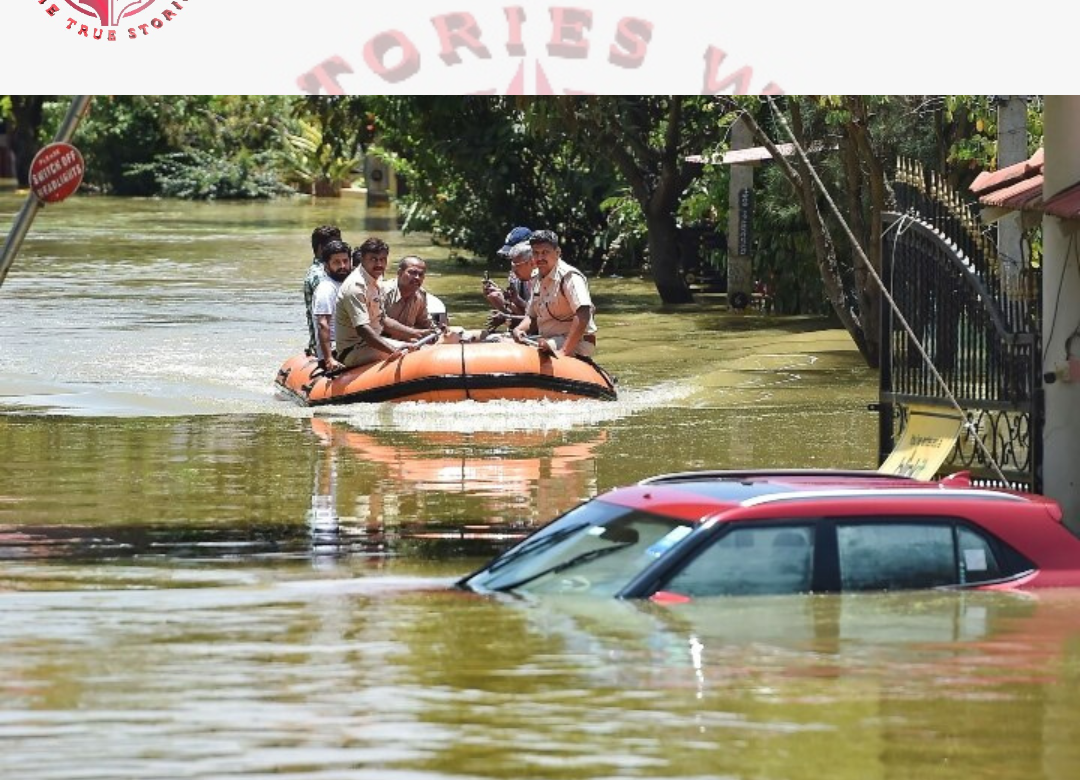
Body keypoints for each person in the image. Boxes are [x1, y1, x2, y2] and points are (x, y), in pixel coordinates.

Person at [334, 238, 427, 368]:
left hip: (370, 344)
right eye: (373, 259)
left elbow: (383, 319)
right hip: (353, 350)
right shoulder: (355, 287)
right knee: (411, 355)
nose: (379, 264)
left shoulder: (376, 280)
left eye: (382, 259)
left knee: (417, 346)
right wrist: (393, 350)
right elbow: (363, 329)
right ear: (363, 259)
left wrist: (416, 333)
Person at [512, 229, 597, 358]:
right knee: (505, 341)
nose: (540, 258)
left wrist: (563, 351)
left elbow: (584, 313)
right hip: (547, 338)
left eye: (545, 252)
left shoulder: (570, 277)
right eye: (536, 253)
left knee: (540, 350)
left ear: (557, 253)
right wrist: (519, 330)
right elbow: (532, 316)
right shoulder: (536, 277)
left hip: (577, 342)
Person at [310, 239, 352, 373]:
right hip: (335, 349)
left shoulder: (349, 284)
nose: (343, 266)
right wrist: (328, 359)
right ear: (326, 266)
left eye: (345, 261)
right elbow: (323, 324)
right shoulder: (326, 289)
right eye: (336, 262)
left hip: (350, 343)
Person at [303, 224, 342, 355]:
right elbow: (323, 321)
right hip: (327, 345)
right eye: (334, 245)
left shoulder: (334, 272)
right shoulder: (319, 275)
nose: (339, 248)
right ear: (321, 248)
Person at [380, 255, 440, 339]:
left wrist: (438, 331)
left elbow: (424, 323)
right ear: (400, 273)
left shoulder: (420, 295)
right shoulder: (382, 291)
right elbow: (380, 321)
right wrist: (412, 332)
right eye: (412, 273)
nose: (417, 278)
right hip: (379, 342)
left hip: (406, 343)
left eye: (421, 274)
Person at [483, 240, 536, 332]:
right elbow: (529, 311)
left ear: (532, 262)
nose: (513, 270)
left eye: (517, 264)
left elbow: (537, 319)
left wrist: (506, 316)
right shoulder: (519, 277)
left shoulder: (543, 281)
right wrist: (506, 300)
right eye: (512, 263)